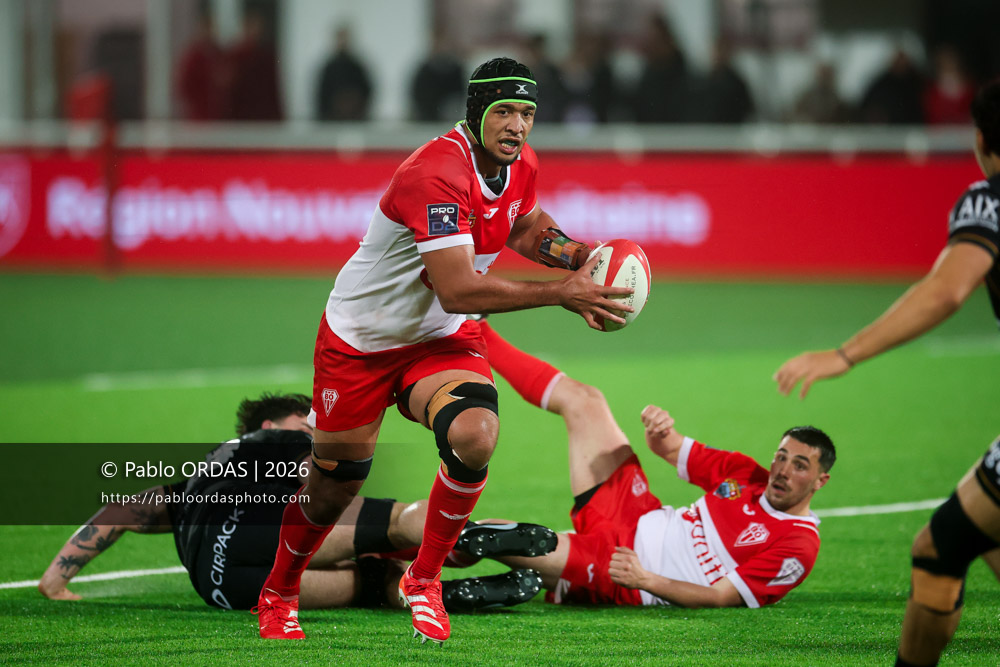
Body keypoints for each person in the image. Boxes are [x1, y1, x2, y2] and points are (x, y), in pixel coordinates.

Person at [256, 56, 632, 644]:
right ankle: (279, 590)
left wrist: (574, 254)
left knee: (475, 434)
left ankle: (424, 578)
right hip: (360, 344)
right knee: (335, 485)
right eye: (504, 111)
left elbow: (525, 225)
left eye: (527, 113)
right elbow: (457, 288)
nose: (518, 126)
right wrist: (563, 291)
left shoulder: (518, 163)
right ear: (477, 112)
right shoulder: (435, 174)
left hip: (438, 339)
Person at [773, 79, 1000, 667]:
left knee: (936, 550)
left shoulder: (988, 200)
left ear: (980, 140)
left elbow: (947, 289)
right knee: (983, 530)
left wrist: (844, 354)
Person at [38, 391, 550, 613]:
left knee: (371, 585)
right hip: (267, 528)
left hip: (219, 585)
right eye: (304, 419)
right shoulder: (270, 444)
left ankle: (447, 593)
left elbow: (118, 514)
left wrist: (54, 581)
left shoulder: (192, 482)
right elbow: (323, 478)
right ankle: (458, 536)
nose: (312, 426)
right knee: (394, 524)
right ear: (270, 426)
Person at [467, 319, 834, 608]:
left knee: (497, 536)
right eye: (781, 457)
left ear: (821, 481)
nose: (783, 471)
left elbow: (721, 597)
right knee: (586, 401)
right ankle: (475, 328)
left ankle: (414, 571)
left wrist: (645, 580)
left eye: (800, 465)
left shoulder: (799, 545)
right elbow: (670, 448)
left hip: (624, 570)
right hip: (635, 509)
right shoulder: (747, 474)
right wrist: (660, 429)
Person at [315, 25, 373, 122]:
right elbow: (322, 95)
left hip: (356, 119)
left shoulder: (357, 67)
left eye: (345, 38)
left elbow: (366, 90)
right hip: (332, 120)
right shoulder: (329, 68)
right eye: (340, 38)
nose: (343, 42)